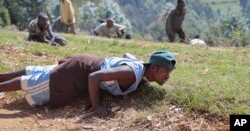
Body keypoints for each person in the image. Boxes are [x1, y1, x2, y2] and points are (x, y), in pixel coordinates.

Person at [0, 51, 176, 117]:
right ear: (153, 67)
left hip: (83, 63)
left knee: (36, 72)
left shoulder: (142, 74)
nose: (168, 76)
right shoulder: (132, 72)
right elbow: (94, 77)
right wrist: (97, 104)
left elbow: (128, 54)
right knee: (32, 83)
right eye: (166, 72)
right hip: (78, 72)